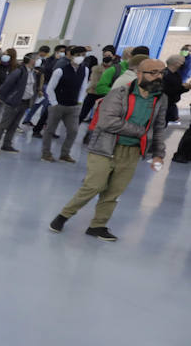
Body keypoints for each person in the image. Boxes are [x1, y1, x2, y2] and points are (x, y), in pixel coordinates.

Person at [49, 55, 167, 242]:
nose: (158, 76)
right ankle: (64, 215)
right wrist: (142, 132)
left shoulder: (160, 98)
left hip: (132, 152)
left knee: (114, 191)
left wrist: (159, 153)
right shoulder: (119, 93)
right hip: (104, 146)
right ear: (139, 74)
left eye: (162, 72)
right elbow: (108, 122)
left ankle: (97, 226)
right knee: (94, 186)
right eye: (153, 73)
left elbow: (159, 127)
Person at [41, 45, 86, 163]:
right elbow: (50, 88)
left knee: (73, 131)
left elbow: (83, 86)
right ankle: (46, 153)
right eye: (78, 55)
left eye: (83, 55)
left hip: (73, 106)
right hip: (58, 105)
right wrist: (54, 103)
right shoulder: (60, 70)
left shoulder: (84, 70)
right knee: (50, 130)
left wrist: (80, 101)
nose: (81, 58)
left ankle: (65, 153)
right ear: (71, 56)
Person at [0, 52, 38, 153]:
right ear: (30, 60)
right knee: (3, 125)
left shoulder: (33, 72)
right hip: (14, 102)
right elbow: (6, 86)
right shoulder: (19, 71)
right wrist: (6, 98)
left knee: (14, 125)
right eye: (36, 59)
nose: (37, 61)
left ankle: (7, 144)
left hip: (25, 102)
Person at [161, 52, 185, 125]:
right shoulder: (166, 74)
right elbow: (168, 90)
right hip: (164, 105)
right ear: (176, 63)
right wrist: (183, 87)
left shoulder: (176, 74)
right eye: (182, 62)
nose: (183, 64)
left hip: (170, 104)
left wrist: (184, 88)